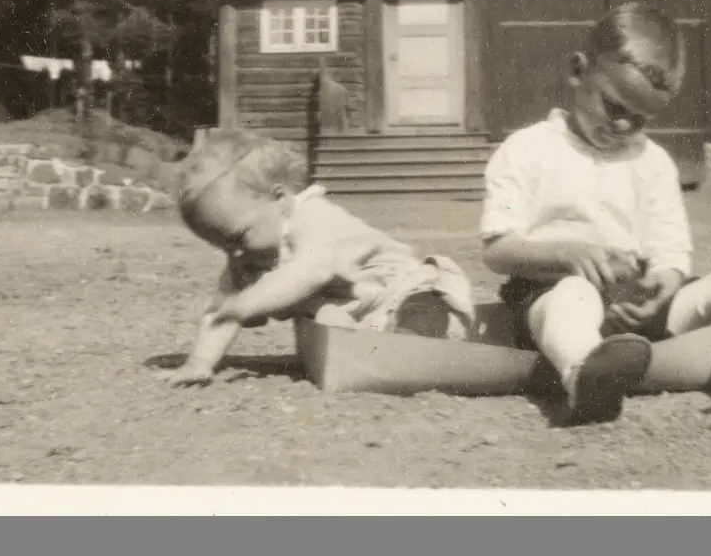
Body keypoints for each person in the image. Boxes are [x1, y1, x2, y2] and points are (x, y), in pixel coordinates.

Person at [480, 2, 711, 426]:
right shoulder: (527, 150)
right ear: (578, 70)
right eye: (614, 107)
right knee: (572, 298)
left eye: (639, 119)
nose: (623, 127)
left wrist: (665, 282)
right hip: (553, 293)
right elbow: (497, 248)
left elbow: (669, 246)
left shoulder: (652, 161)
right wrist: (563, 254)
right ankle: (585, 376)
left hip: (636, 306)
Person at [159, 129, 477, 387]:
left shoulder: (313, 218)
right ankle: (382, 351)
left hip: (404, 289)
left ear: (280, 200)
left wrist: (246, 304)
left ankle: (411, 351)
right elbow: (223, 311)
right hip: (364, 314)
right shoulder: (248, 255)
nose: (234, 254)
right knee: (328, 327)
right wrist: (200, 362)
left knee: (423, 307)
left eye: (239, 237)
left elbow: (311, 270)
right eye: (222, 246)